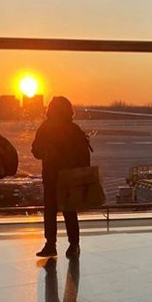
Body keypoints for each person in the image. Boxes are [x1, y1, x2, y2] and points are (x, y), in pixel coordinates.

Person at [31, 96, 91, 258]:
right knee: (69, 211)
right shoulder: (73, 129)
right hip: (68, 176)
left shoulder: (45, 127)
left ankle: (51, 244)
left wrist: (48, 153)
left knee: (50, 211)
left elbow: (36, 150)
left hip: (51, 175)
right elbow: (84, 156)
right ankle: (73, 244)